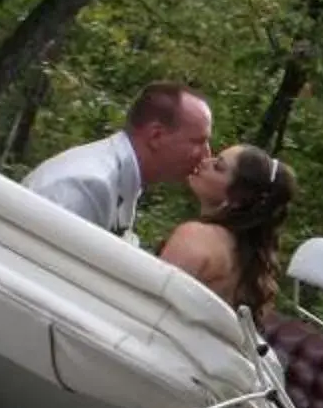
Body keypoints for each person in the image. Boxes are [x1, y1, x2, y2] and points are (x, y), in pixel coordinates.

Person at [21, 83, 214, 238]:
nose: (206, 155)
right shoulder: (88, 186)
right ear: (156, 136)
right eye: (198, 141)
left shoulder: (120, 178)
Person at [159, 144, 295, 328]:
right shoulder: (251, 262)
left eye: (218, 167)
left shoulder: (197, 236)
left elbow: (153, 301)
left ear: (239, 198)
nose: (205, 162)